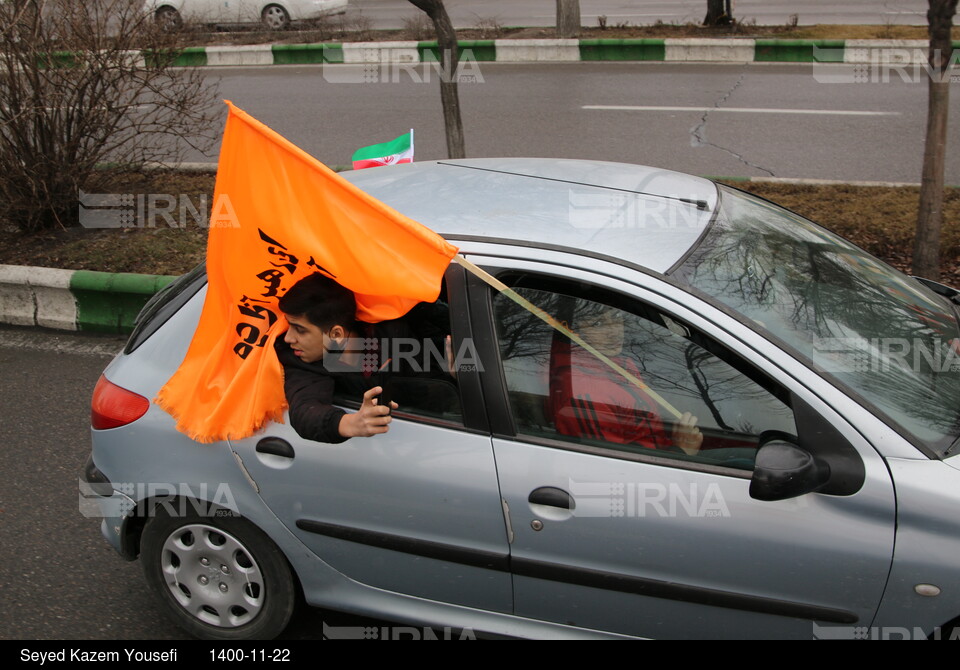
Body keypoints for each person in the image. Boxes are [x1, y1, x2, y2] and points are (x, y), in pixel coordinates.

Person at [276, 272, 454, 443]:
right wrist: (349, 423)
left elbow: (433, 393)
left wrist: (454, 377)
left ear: (336, 334)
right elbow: (305, 410)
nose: (288, 338)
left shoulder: (392, 335)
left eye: (300, 330)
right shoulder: (301, 360)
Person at [548, 304, 704, 456]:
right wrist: (680, 453)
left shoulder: (616, 364)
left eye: (616, 316)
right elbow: (611, 467)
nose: (614, 331)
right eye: (598, 323)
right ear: (572, 330)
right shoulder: (586, 389)